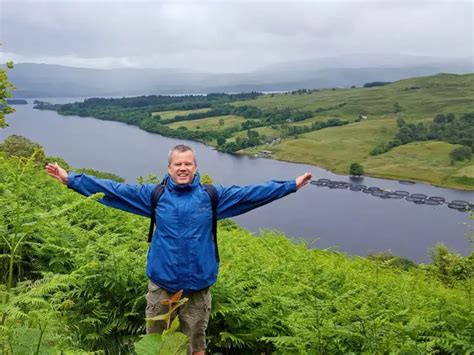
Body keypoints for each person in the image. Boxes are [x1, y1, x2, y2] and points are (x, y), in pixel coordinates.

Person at [45, 144, 312, 355]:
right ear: (169, 168)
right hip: (162, 284)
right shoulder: (154, 195)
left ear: (195, 167)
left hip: (197, 288)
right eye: (178, 164)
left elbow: (252, 193)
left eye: (187, 164)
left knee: (196, 344)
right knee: (157, 345)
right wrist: (72, 180)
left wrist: (291, 186)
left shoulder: (211, 196)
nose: (182, 168)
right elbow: (113, 190)